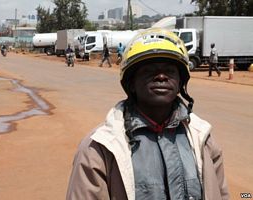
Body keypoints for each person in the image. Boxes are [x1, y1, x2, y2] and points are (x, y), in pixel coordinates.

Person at [66, 28, 229, 200]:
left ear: (180, 82)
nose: (161, 76)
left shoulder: (202, 139)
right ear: (131, 84)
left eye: (170, 71)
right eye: (149, 71)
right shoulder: (100, 148)